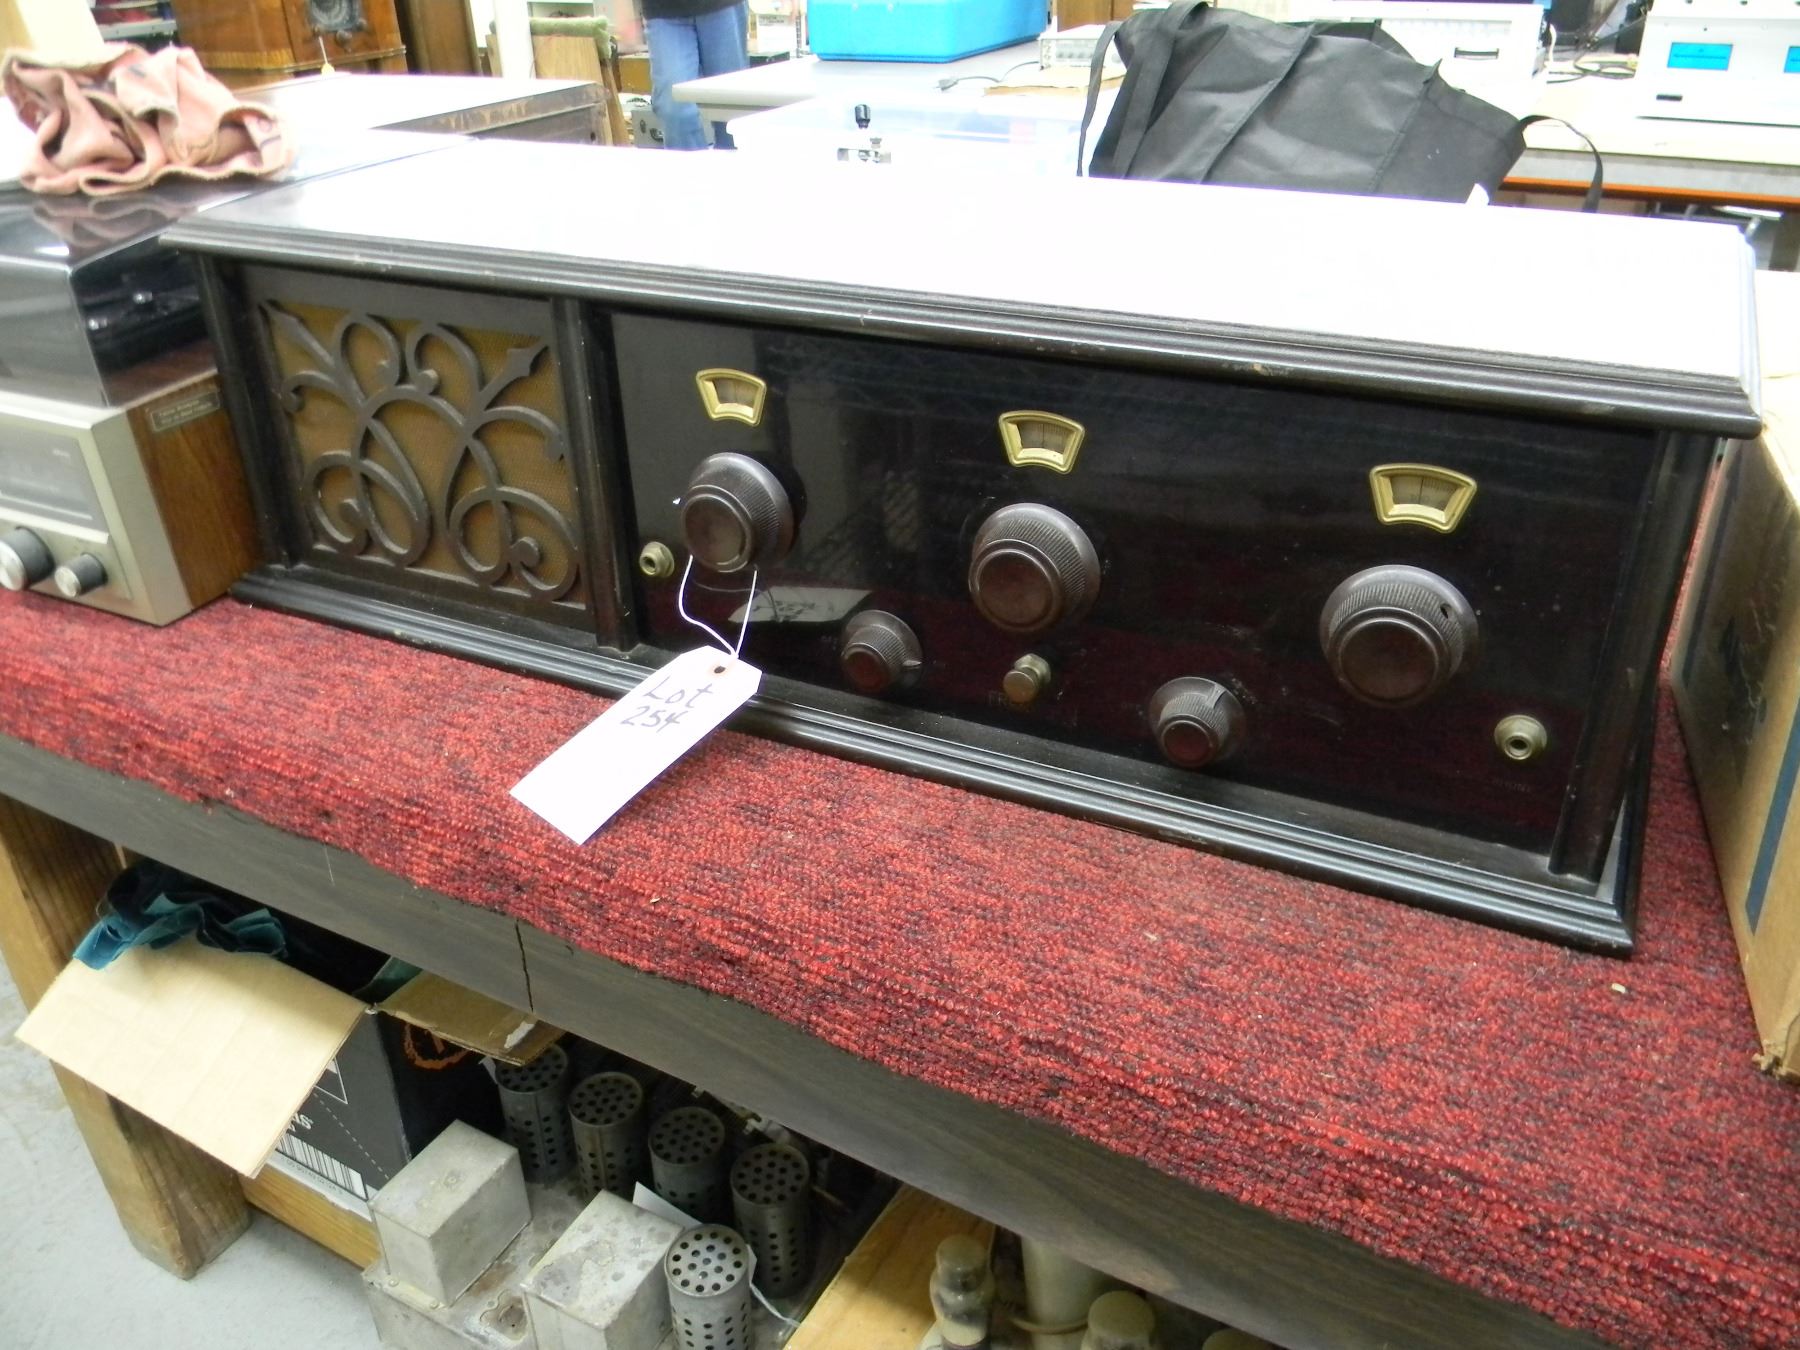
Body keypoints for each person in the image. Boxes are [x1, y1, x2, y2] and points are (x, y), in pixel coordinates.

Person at [641, 0, 750, 151]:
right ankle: (692, 166)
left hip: (723, 6)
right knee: (675, 109)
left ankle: (735, 165)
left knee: (731, 114)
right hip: (663, 11)